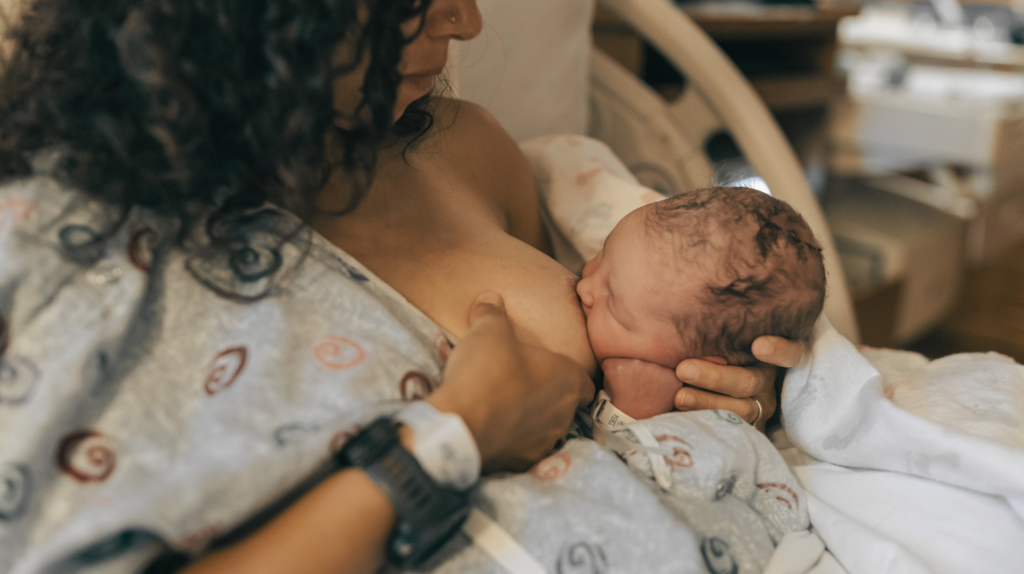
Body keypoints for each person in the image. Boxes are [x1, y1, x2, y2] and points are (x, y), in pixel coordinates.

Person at [0, 1, 803, 572]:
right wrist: (455, 434)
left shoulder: (466, 148)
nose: (467, 21)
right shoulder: (66, 240)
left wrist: (726, 388)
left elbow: (637, 383)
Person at [576, 186, 826, 421]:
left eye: (615, 309)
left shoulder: (663, 401)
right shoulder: (641, 259)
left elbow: (615, 460)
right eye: (602, 255)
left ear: (702, 366)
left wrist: (628, 410)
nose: (584, 287)